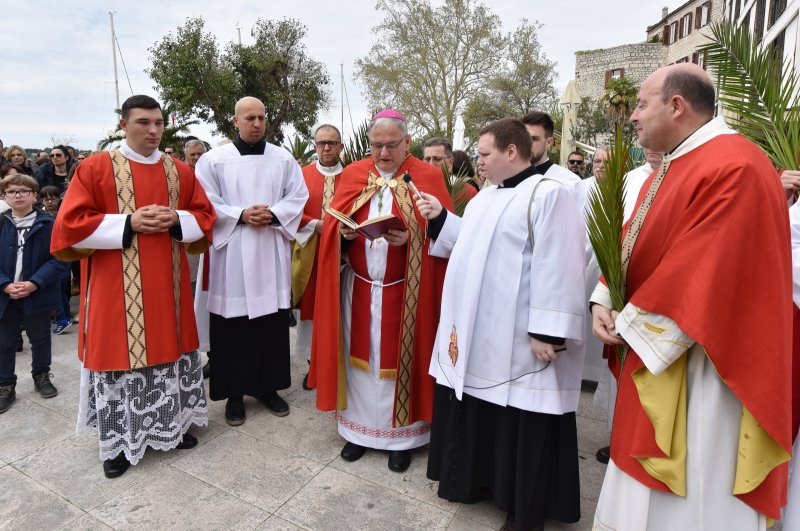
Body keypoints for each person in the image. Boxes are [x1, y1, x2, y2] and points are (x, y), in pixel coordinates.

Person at [590, 64, 792, 529]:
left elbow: (704, 270)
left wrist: (629, 321)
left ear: (676, 106)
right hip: (660, 346)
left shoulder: (734, 165)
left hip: (706, 360)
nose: (633, 117)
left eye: (642, 104)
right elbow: (637, 235)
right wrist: (604, 296)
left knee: (692, 489)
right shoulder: (680, 160)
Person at [422, 118, 586, 530]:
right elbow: (473, 242)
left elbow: (562, 262)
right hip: (479, 332)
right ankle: (482, 482)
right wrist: (442, 217)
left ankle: (523, 506)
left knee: (523, 417)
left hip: (519, 337)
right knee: (483, 410)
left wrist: (548, 331)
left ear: (511, 152)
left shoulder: (551, 194)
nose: (478, 161)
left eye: (484, 154)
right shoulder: (484, 197)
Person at [51, 95, 216, 479]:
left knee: (168, 352)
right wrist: (127, 223)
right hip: (114, 287)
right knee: (118, 359)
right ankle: (119, 443)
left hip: (169, 285)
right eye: (143, 123)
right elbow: (70, 224)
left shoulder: (178, 171)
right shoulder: (95, 168)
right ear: (123, 125)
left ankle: (170, 429)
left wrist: (177, 218)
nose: (154, 130)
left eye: (158, 123)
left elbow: (205, 218)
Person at [309, 109, 453, 472]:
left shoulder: (429, 176)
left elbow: (449, 236)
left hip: (408, 294)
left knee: (401, 359)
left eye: (391, 146)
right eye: (377, 146)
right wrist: (341, 235)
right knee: (362, 365)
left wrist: (413, 237)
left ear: (408, 143)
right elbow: (332, 226)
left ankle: (403, 439)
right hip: (358, 289)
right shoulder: (355, 173)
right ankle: (358, 434)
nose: (384, 154)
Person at [194, 96, 308, 426]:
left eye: (261, 117)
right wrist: (239, 214)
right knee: (232, 326)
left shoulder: (283, 158)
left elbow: (297, 197)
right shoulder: (214, 160)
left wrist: (273, 213)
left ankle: (268, 388)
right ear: (235, 121)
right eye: (249, 118)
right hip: (232, 252)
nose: (256, 123)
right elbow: (204, 201)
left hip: (270, 250)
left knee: (270, 324)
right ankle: (233, 395)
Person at [583, 148, 663, 464]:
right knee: (623, 368)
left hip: (661, 290)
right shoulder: (630, 180)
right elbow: (615, 234)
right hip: (625, 290)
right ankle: (618, 435)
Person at [0, 173, 63, 413]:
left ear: (34, 195)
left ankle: (41, 375)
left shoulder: (49, 223)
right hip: (5, 295)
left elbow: (59, 259)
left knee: (40, 338)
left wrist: (34, 283)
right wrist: (5, 284)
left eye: (23, 191)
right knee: (5, 342)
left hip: (37, 293)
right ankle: (5, 385)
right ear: (4, 196)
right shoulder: (1, 223)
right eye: (12, 191)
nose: (18, 195)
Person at [292, 124, 344, 390]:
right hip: (311, 252)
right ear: (314, 146)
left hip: (345, 256)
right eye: (321, 143)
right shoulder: (301, 176)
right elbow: (289, 212)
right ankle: (315, 366)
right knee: (312, 314)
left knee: (342, 311)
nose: (326, 148)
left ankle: (339, 367)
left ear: (341, 147)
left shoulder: (354, 176)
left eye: (332, 143)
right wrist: (315, 225)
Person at [520, 112, 585, 208]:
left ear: (549, 142)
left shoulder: (570, 182)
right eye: (524, 138)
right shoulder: (509, 180)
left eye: (534, 139)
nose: (527, 144)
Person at [39, 185, 73, 335]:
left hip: (62, 253)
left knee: (59, 289)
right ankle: (64, 316)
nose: (49, 201)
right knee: (58, 288)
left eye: (52, 198)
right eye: (45, 198)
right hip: (53, 254)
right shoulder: (41, 214)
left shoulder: (62, 213)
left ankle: (63, 318)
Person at [423, 137, 477, 204]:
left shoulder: (467, 192)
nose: (431, 164)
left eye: (437, 159)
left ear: (450, 162)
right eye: (427, 159)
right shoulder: (415, 188)